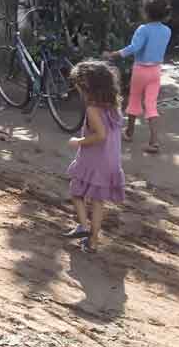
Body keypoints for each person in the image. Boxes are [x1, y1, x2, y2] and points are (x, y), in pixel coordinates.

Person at [63, 60, 126, 253]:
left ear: (87, 88)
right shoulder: (114, 106)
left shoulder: (92, 110)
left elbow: (100, 135)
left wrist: (78, 141)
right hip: (111, 160)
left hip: (94, 160)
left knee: (76, 192)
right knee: (98, 201)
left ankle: (82, 226)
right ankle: (93, 242)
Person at [104, 0, 172, 154]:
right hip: (156, 71)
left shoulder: (143, 29)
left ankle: (129, 132)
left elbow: (134, 48)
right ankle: (154, 141)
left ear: (146, 13)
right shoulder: (167, 31)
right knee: (151, 104)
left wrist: (114, 54)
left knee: (134, 100)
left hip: (141, 70)